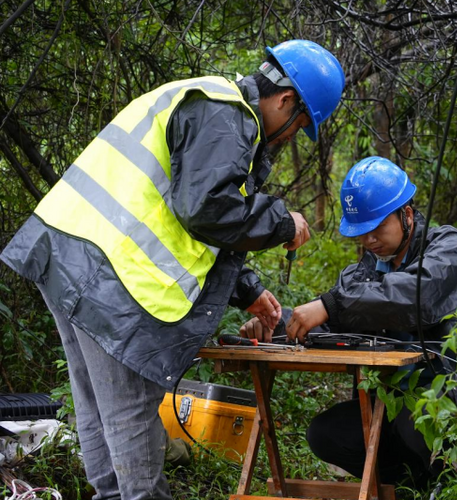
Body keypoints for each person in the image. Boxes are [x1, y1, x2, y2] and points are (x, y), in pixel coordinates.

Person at [0, 40, 345, 500]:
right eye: (299, 125)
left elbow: (195, 221)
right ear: (286, 101)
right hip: (110, 275)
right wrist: (282, 221)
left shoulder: (208, 100)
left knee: (98, 408)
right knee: (129, 413)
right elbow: (207, 208)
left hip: (69, 250)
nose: (289, 136)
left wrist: (250, 292)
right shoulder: (229, 116)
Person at [240, 156, 457, 489]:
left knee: (419, 419)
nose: (369, 240)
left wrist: (331, 304)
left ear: (406, 215)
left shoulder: (449, 249)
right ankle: (410, 489)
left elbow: (413, 298)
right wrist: (279, 324)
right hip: (396, 405)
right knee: (326, 433)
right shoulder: (365, 271)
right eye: (362, 233)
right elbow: (334, 323)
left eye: (377, 228)